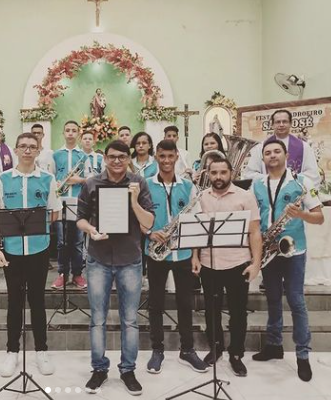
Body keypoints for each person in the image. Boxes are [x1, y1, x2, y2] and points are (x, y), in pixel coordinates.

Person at [77, 140, 155, 396]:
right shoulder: (91, 184)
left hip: (130, 259)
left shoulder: (139, 183)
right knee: (97, 319)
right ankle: (99, 369)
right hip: (98, 259)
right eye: (112, 157)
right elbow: (80, 219)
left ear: (128, 158)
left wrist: (133, 201)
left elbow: (148, 223)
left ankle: (128, 370)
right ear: (105, 158)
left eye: (122, 157)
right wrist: (91, 230)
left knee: (130, 320)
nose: (117, 161)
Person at [251, 140, 324, 382]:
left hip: (294, 251)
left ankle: (303, 355)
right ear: (263, 158)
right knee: (273, 299)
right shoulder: (256, 185)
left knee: (296, 301)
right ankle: (274, 345)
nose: (272, 155)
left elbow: (319, 217)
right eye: (267, 152)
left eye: (276, 151)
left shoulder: (303, 182)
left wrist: (300, 214)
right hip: (269, 249)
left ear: (286, 154)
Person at [0, 132, 62, 378]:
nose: (28, 150)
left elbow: (54, 212)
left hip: (38, 249)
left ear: (38, 150)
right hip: (11, 250)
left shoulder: (48, 179)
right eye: (23, 146)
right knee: (14, 301)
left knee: (37, 301)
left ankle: (41, 350)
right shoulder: (2, 179)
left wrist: (39, 230)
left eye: (32, 146)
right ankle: (12, 351)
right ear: (15, 149)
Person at [191, 157, 262, 377]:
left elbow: (254, 232)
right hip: (209, 263)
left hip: (237, 262)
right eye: (214, 173)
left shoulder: (245, 196)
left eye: (223, 172)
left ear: (231, 173)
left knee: (238, 312)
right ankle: (216, 347)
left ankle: (236, 353)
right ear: (208, 174)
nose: (219, 177)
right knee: (211, 311)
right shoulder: (201, 197)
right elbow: (196, 230)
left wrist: (256, 263)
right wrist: (195, 256)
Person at [145, 140, 208, 375]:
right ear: (156, 157)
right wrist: (150, 233)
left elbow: (197, 223)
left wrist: (195, 255)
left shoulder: (188, 186)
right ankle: (157, 350)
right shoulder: (146, 185)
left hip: (183, 253)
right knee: (155, 303)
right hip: (157, 252)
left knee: (185, 302)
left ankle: (187, 350)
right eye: (162, 156)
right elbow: (138, 217)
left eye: (170, 156)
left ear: (176, 157)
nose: (166, 161)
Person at [52, 120, 87, 290]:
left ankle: (77, 274)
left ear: (78, 133)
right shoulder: (56, 155)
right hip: (60, 202)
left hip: (78, 203)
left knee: (78, 242)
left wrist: (78, 180)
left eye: (74, 130)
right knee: (61, 242)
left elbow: (90, 180)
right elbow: (50, 177)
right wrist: (57, 184)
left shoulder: (84, 156)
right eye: (68, 130)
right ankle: (62, 274)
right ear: (63, 133)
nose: (71, 133)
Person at [244, 109, 320, 188]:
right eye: (278, 122)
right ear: (272, 125)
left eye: (284, 121)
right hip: (268, 191)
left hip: (295, 192)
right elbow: (249, 174)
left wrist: (290, 179)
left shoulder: (304, 147)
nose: (281, 125)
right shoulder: (261, 147)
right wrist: (271, 179)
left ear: (290, 124)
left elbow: (313, 175)